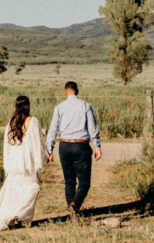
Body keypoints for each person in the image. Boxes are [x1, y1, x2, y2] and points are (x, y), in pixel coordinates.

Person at [0, 95, 47, 232]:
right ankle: (20, 216)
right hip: (27, 162)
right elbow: (39, 141)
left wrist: (7, 162)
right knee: (32, 188)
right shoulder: (33, 121)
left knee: (16, 191)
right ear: (28, 106)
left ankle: (15, 217)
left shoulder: (11, 123)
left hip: (15, 160)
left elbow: (6, 146)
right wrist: (44, 156)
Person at [45, 81, 102, 220]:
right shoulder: (85, 105)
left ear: (66, 93)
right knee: (84, 182)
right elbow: (92, 128)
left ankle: (72, 211)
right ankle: (75, 205)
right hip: (81, 146)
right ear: (77, 91)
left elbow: (53, 130)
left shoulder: (59, 107)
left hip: (64, 146)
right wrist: (97, 147)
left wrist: (49, 150)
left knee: (69, 181)